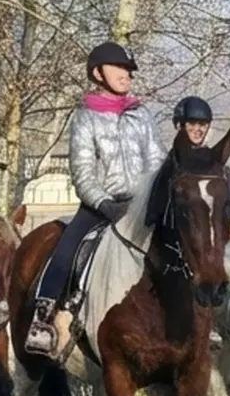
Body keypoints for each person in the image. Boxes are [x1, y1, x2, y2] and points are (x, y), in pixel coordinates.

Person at [24, 41, 164, 358]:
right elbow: (83, 172)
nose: (126, 74)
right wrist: (103, 203)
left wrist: (154, 197)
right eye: (118, 68)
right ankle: (42, 319)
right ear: (97, 73)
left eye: (128, 69)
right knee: (66, 248)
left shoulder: (141, 115)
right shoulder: (85, 118)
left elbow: (157, 160)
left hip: (141, 207)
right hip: (101, 206)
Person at [171, 95, 230, 219]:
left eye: (202, 124)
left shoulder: (218, 165)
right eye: (192, 123)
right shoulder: (170, 164)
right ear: (181, 125)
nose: (197, 129)